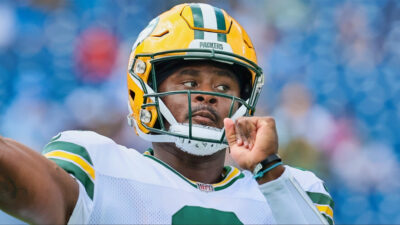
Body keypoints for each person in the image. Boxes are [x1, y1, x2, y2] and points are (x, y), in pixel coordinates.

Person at [0, 3, 334, 224]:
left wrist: (269, 172)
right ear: (143, 87)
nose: (206, 95)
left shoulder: (288, 188)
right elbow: (20, 186)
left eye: (223, 88)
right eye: (190, 81)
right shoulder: (101, 164)